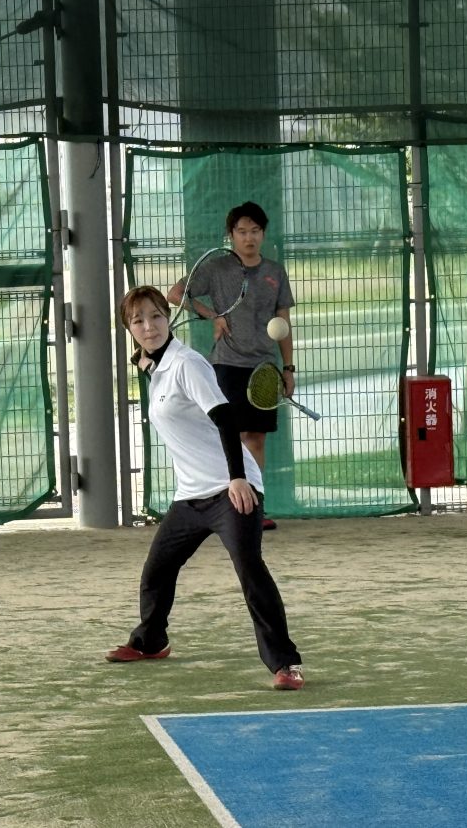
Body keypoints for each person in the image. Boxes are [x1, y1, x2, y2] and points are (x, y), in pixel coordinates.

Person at [106, 285, 304, 691]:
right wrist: (145, 362)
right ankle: (151, 642)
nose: (149, 326)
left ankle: (286, 664)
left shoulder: (187, 364)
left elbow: (225, 418)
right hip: (190, 496)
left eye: (156, 316)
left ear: (168, 319)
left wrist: (238, 478)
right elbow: (159, 377)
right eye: (138, 321)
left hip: (230, 488)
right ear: (129, 329)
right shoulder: (158, 366)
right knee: (158, 570)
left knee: (250, 570)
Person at [167, 201, 295, 530]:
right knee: (231, 438)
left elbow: (283, 322)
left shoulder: (275, 272)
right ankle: (230, 510)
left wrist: (288, 368)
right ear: (231, 235)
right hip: (227, 364)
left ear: (263, 234)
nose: (249, 237)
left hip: (264, 368)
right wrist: (213, 315)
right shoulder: (217, 268)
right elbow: (175, 293)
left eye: (255, 231)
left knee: (256, 439)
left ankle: (254, 508)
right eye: (242, 231)